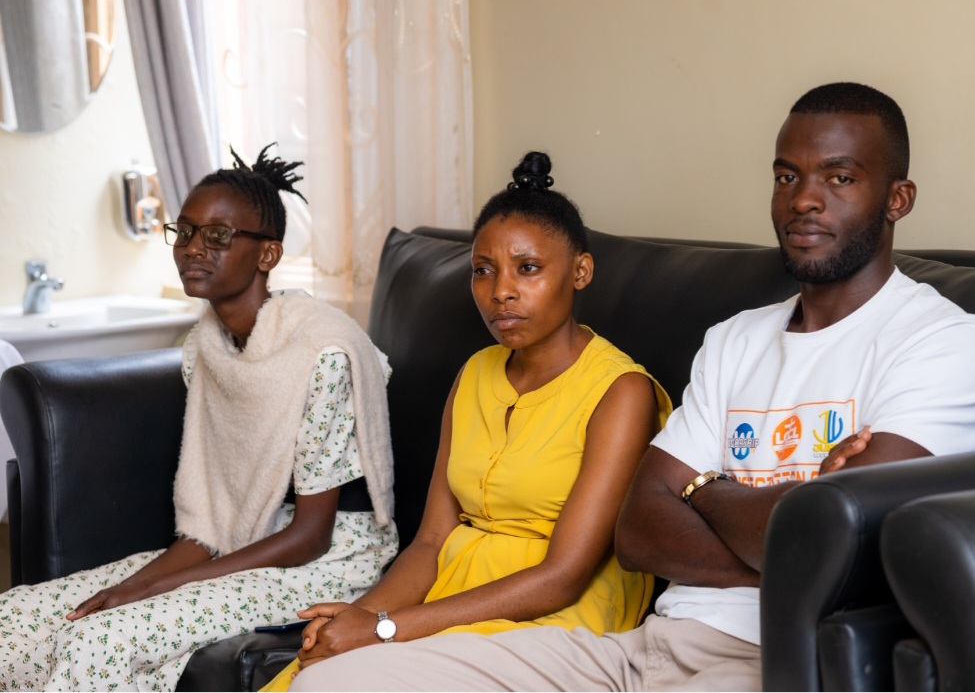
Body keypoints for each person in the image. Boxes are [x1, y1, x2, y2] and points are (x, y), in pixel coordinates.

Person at [287, 83, 975, 692]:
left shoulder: (940, 342)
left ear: (897, 198)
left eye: (839, 177)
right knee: (334, 680)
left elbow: (842, 545)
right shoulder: (733, 338)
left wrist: (700, 490)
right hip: (639, 650)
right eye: (786, 175)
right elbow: (640, 533)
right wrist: (786, 524)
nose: (803, 199)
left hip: (772, 657)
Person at [264, 151, 672, 690]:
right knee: (307, 671)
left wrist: (385, 629)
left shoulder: (622, 393)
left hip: (554, 617)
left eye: (528, 268)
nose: (501, 291)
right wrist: (357, 619)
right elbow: (433, 540)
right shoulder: (476, 372)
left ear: (580, 271)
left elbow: (564, 577)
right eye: (483, 270)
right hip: (453, 595)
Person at [0, 145, 399, 691]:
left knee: (99, 638)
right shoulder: (206, 350)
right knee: (14, 617)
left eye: (217, 235)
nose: (192, 248)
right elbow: (211, 519)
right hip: (241, 542)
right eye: (184, 232)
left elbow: (311, 537)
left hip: (328, 562)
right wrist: (137, 583)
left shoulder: (324, 355)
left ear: (268, 254)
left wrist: (152, 590)